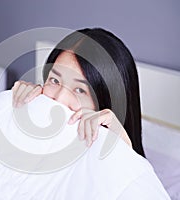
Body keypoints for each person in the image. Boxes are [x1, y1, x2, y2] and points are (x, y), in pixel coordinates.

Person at [12, 28, 145, 157]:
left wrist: (123, 150)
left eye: (80, 90)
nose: (59, 99)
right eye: (54, 80)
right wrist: (16, 109)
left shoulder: (121, 162)